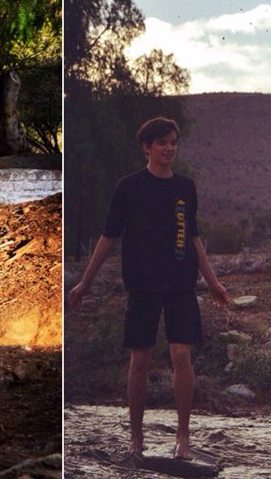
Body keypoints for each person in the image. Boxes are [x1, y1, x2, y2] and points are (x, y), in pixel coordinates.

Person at [68, 116, 230, 460]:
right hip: (142, 282)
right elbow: (109, 237)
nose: (169, 148)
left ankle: (183, 440)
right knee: (140, 359)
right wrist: (85, 282)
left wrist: (212, 281)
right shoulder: (128, 187)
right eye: (162, 143)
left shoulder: (185, 187)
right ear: (147, 147)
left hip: (181, 282)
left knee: (181, 355)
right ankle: (136, 441)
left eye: (173, 142)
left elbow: (195, 237)